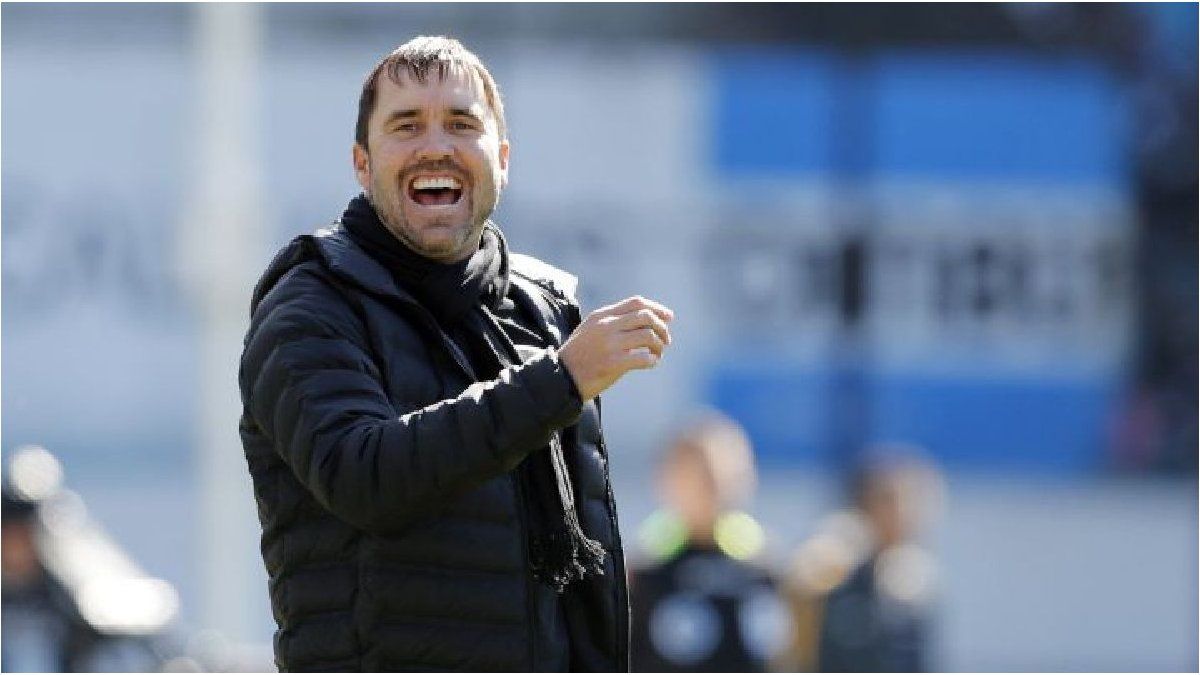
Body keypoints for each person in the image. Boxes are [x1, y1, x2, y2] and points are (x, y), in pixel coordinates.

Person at [238, 36, 674, 672]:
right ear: (362, 164)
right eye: (406, 125)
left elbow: (579, 575)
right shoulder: (311, 304)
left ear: (502, 158)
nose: (436, 146)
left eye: (461, 124)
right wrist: (559, 381)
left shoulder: (543, 309)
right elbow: (365, 480)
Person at [628, 413, 790, 672]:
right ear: (665, 480)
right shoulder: (645, 566)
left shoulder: (765, 562)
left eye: (720, 473)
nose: (710, 486)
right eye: (694, 474)